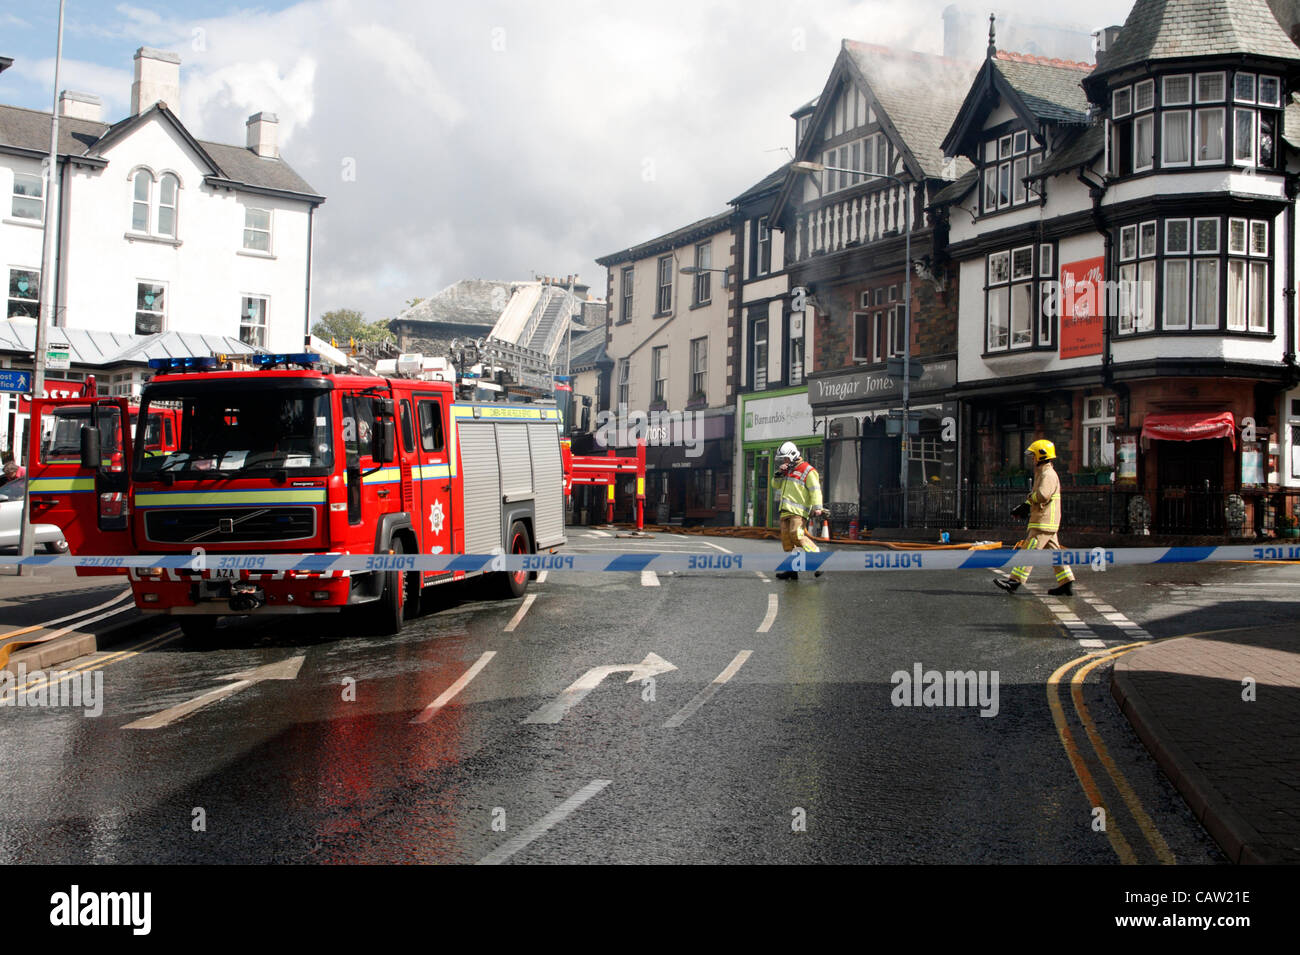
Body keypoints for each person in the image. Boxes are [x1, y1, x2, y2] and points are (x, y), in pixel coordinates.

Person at [995, 439, 1074, 596]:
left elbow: (1043, 495)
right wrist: (1025, 506)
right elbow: (1039, 496)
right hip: (1047, 521)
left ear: (1041, 455)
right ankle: (1066, 581)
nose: (1032, 459)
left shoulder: (1048, 474)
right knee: (1055, 553)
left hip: (1043, 521)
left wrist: (1028, 503)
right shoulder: (1043, 473)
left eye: (1034, 455)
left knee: (1028, 550)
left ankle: (1014, 581)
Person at [772, 441, 826, 581]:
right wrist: (779, 473)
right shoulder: (786, 470)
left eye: (786, 458)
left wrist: (817, 507)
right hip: (785, 511)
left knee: (796, 535)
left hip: (798, 512)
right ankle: (792, 570)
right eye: (783, 458)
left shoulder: (808, 470)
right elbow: (775, 485)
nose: (784, 461)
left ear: (793, 455)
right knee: (787, 541)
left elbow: (815, 490)